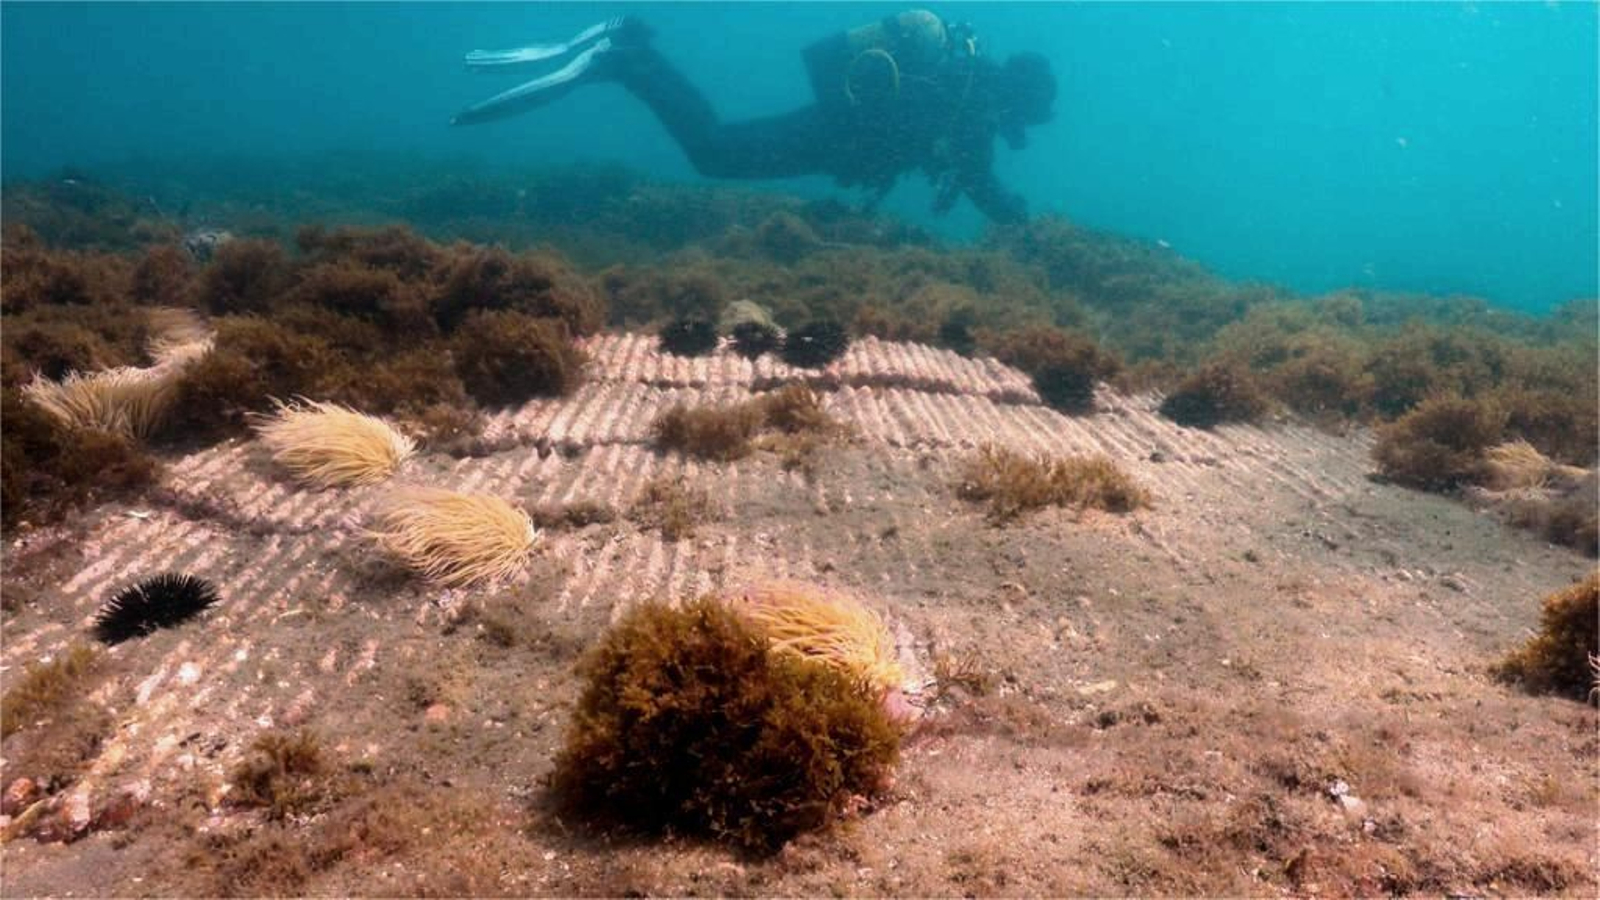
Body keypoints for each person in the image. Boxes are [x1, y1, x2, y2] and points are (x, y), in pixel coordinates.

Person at [452, 11, 1055, 224]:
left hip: (829, 135)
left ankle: (628, 55)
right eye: (1030, 110)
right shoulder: (971, 101)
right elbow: (982, 185)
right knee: (714, 152)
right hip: (828, 135)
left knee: (715, 148)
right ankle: (626, 57)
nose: (1024, 124)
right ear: (1018, 94)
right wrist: (1024, 222)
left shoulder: (963, 90)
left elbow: (974, 175)